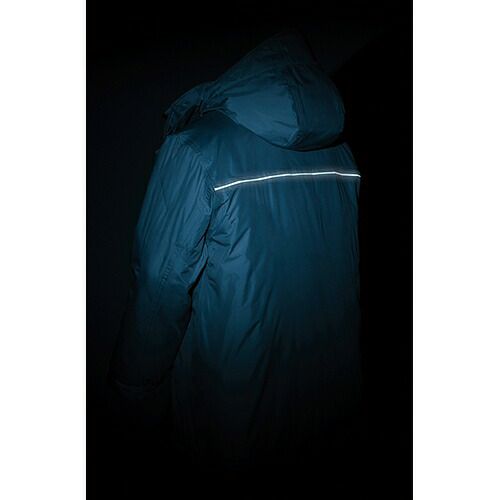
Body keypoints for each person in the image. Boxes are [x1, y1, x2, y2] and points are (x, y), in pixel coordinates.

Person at [110, 31, 362, 476]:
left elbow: (159, 284)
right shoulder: (341, 154)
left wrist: (132, 392)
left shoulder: (196, 148)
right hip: (327, 396)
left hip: (233, 411)